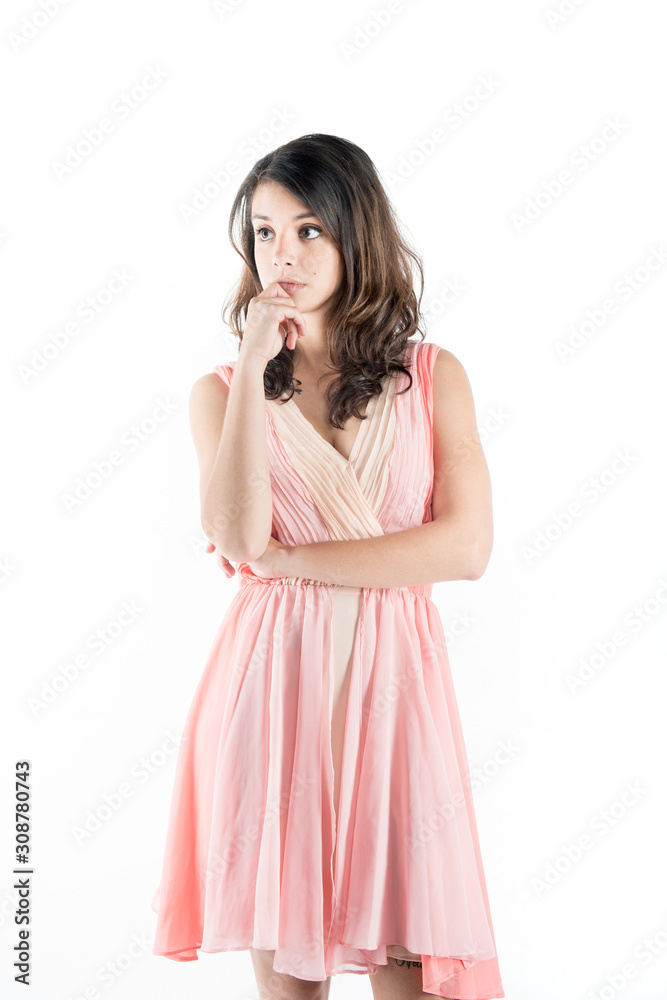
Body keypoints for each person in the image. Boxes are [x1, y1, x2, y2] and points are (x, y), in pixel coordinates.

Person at [150, 133, 505, 1000]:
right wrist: (249, 364)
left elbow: (465, 548)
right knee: (290, 979)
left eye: (309, 231)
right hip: (271, 694)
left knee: (414, 971)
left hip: (397, 694)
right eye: (265, 233)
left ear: (356, 235)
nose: (284, 255)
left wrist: (296, 558)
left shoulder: (429, 377)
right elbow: (237, 536)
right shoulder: (222, 392)